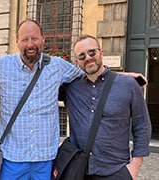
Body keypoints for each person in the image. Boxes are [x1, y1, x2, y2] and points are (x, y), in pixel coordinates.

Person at [0, 19, 83, 179]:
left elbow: (90, 78)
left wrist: (121, 77)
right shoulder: (1, 65)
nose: (30, 44)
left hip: (45, 159)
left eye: (34, 38)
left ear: (43, 39)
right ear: (17, 42)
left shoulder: (57, 66)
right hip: (12, 158)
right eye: (25, 39)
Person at [60, 34, 151, 180]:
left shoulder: (128, 85)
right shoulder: (70, 88)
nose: (88, 58)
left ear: (101, 53)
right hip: (79, 170)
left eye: (92, 52)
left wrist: (135, 165)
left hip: (115, 170)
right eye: (82, 56)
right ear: (77, 62)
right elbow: (43, 87)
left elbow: (142, 125)